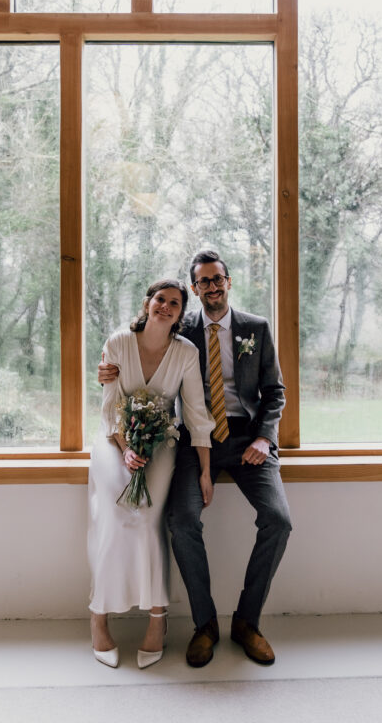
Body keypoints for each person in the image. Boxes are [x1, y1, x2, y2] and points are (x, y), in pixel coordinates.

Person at [99, 250, 292, 667]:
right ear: (194, 289)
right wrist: (106, 370)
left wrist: (264, 436)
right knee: (181, 521)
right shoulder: (178, 324)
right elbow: (132, 339)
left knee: (279, 520)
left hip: (246, 439)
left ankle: (247, 622)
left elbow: (275, 391)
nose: (212, 286)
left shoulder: (255, 328)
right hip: (190, 438)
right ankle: (204, 624)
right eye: (202, 282)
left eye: (217, 278)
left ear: (228, 280)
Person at [88, 278, 213, 670]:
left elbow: (195, 413)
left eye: (175, 303)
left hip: (162, 443)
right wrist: (126, 451)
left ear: (180, 313)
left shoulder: (185, 352)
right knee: (114, 513)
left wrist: (206, 472)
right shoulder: (118, 342)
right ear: (147, 303)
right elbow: (109, 408)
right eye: (161, 299)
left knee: (145, 518)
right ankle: (99, 616)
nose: (166, 307)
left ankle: (157, 617)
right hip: (114, 442)